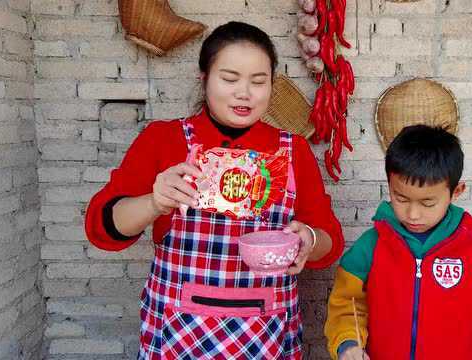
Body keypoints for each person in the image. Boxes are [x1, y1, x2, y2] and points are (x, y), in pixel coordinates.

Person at [85, 21, 344, 359]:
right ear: (204, 78)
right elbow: (102, 228)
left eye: (258, 81)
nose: (244, 93)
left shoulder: (292, 150)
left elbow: (330, 243)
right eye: (230, 78)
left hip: (265, 329)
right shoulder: (164, 140)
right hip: (179, 329)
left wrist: (308, 239)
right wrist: (154, 202)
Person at [324, 125, 472, 360]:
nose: (413, 214)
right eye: (401, 198)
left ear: (456, 191)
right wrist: (348, 343)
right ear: (389, 184)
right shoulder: (372, 245)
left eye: (427, 203)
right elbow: (347, 303)